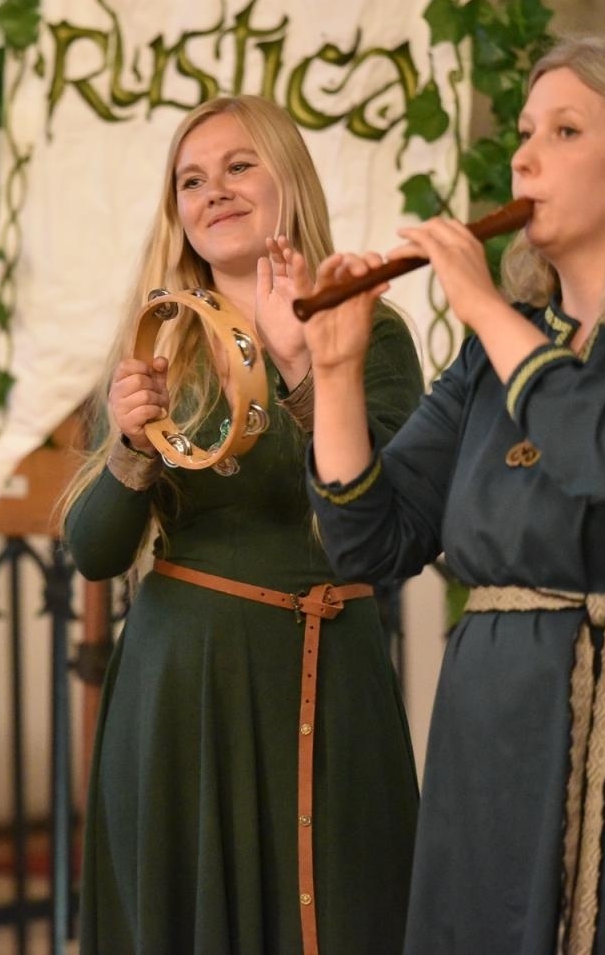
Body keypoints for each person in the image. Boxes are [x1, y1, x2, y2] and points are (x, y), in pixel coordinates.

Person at [302, 34, 605, 951]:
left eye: (565, 131)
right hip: (500, 729)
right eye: (525, 132)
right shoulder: (505, 345)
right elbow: (371, 542)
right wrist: (335, 374)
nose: (523, 157)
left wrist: (480, 306)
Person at [60, 94, 423, 954]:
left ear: (287, 181)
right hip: (181, 685)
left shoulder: (368, 330)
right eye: (191, 180)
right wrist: (128, 447)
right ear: (177, 213)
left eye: (237, 166)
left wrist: (306, 374)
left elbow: (382, 521)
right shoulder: (156, 347)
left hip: (326, 676)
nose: (213, 191)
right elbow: (95, 551)